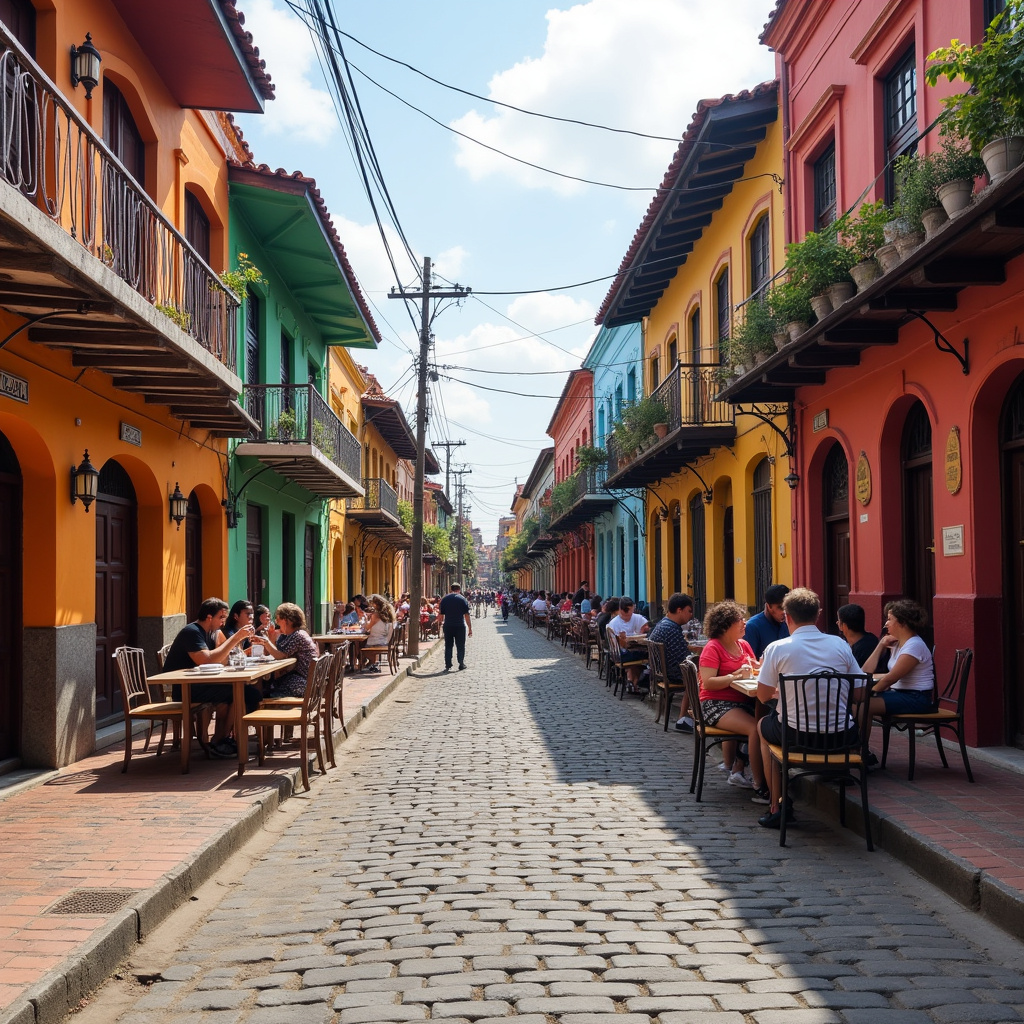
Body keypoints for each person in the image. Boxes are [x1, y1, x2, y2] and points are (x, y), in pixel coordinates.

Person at [755, 588, 865, 828]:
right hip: (841, 738)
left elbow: (762, 696)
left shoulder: (778, 648)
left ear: (787, 617)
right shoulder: (840, 644)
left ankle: (777, 805)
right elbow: (859, 693)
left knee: (762, 726)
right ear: (818, 614)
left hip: (797, 737)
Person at [162, 597, 260, 758]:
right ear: (209, 617)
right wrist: (236, 638)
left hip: (202, 684)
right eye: (221, 617)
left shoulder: (211, 633)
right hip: (185, 689)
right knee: (241, 693)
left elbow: (223, 658)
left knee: (243, 693)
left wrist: (232, 644)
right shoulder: (192, 632)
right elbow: (206, 660)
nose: (223, 621)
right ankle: (220, 740)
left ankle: (219, 740)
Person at [698, 600, 767, 797]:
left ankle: (742, 769)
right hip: (715, 704)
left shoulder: (743, 645)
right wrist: (735, 676)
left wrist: (760, 667)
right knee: (754, 729)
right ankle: (760, 784)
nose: (745, 622)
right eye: (739, 619)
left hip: (744, 701)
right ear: (725, 625)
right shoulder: (713, 648)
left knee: (769, 721)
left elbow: (752, 670)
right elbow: (708, 682)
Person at [863, 599, 935, 718]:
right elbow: (865, 671)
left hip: (916, 698)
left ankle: (858, 731)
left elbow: (891, 678)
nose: (886, 624)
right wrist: (881, 645)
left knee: (862, 704)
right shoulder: (897, 643)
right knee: (858, 702)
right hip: (900, 694)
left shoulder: (914, 645)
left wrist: (869, 693)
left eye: (889, 619)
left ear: (902, 622)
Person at [646, 593, 695, 731]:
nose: (691, 615)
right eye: (689, 611)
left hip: (662, 671)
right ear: (679, 610)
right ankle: (684, 717)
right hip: (671, 673)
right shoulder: (671, 629)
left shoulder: (663, 624)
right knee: (698, 676)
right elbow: (685, 658)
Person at [261, 602, 319, 697]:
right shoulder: (297, 634)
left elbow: (280, 656)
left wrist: (266, 641)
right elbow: (273, 653)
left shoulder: (297, 636)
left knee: (268, 691)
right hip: (309, 682)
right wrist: (271, 637)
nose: (276, 622)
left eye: (278, 619)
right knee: (269, 685)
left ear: (288, 621)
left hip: (303, 684)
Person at [610, 597, 649, 691]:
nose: (630, 613)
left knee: (637, 660)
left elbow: (646, 627)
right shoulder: (614, 623)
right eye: (628, 611)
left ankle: (631, 683)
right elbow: (614, 643)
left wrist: (644, 629)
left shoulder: (637, 618)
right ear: (621, 610)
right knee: (645, 656)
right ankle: (635, 683)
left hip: (629, 653)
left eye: (632, 610)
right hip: (621, 655)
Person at [744, 584, 790, 659]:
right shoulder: (752, 627)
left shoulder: (790, 622)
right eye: (781, 608)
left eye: (787, 607)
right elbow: (750, 660)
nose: (784, 612)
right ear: (769, 606)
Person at [439, 582, 472, 672]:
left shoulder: (445, 599)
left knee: (448, 645)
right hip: (459, 626)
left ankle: (448, 664)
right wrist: (470, 628)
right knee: (460, 645)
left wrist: (440, 626)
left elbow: (441, 615)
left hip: (448, 625)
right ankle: (461, 663)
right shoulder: (462, 599)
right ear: (459, 590)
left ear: (451, 589)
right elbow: (466, 615)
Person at [837, 603, 880, 667]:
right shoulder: (844, 643)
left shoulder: (867, 647)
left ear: (844, 626)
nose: (837, 622)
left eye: (839, 620)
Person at [360, 594, 396, 672]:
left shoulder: (376, 615)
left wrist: (366, 619)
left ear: (375, 604)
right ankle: (371, 663)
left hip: (376, 641)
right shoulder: (388, 614)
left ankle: (370, 663)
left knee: (358, 647)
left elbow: (367, 628)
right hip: (385, 640)